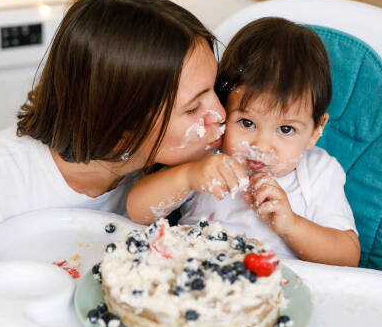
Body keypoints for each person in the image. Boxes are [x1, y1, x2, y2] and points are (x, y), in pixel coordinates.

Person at [0, 0, 226, 327]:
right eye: (194, 107)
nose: (219, 115)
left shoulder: (187, 177)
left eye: (214, 91)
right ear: (122, 123)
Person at [127, 17, 360, 267]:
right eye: (247, 123)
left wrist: (291, 226)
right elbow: (137, 210)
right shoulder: (208, 157)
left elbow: (348, 257)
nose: (261, 145)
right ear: (223, 107)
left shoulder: (319, 173)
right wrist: (188, 177)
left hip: (274, 293)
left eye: (285, 129)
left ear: (316, 130)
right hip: (192, 280)